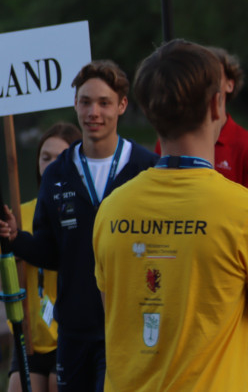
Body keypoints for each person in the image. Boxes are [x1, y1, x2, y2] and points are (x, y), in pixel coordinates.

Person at [0, 60, 157, 391]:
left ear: (122, 106)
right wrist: (14, 237)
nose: (93, 112)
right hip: (74, 333)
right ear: (75, 104)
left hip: (126, 328)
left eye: (104, 103)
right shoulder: (57, 173)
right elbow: (52, 254)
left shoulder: (146, 168)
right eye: (85, 102)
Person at [93, 39, 248, 390]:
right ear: (216, 105)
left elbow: (115, 316)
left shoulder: (111, 209)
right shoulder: (241, 211)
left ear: (147, 110)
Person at [0, 123, 80, 392]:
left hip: (67, 338)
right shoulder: (20, 214)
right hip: (29, 339)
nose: (50, 165)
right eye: (45, 157)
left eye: (60, 157)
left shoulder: (83, 213)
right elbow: (5, 284)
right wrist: (7, 237)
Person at [152, 46, 248, 186]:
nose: (204, 82)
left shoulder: (244, 145)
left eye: (213, 75)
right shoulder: (169, 141)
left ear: (229, 84)